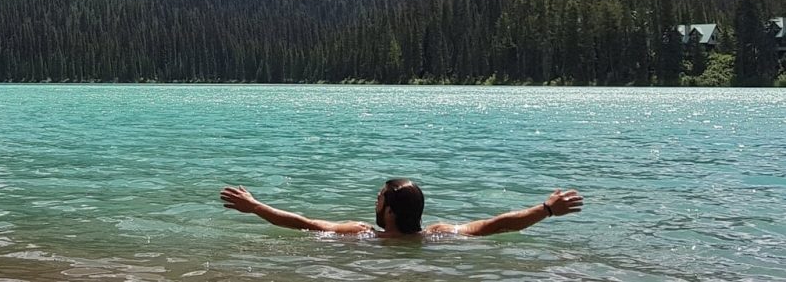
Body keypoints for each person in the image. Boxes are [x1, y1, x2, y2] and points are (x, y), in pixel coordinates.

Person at [219, 179, 583, 237]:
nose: (373, 202)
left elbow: (302, 223)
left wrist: (254, 207)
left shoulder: (362, 234)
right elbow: (495, 225)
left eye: (378, 199)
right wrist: (546, 210)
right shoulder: (440, 235)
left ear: (389, 212)